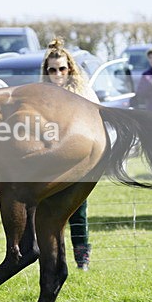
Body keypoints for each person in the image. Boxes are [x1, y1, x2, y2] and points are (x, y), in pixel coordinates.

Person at [41, 38, 95, 270]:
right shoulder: (41, 95)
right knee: (49, 214)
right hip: (49, 162)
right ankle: (52, 259)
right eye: (52, 70)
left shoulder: (82, 92)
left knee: (78, 213)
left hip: (78, 161)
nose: (58, 74)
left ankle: (82, 258)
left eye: (62, 69)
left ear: (70, 68)